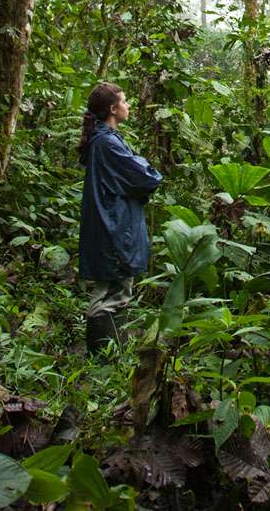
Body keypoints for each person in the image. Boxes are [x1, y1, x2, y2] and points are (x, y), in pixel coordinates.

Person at [77, 82, 162, 355]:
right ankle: (101, 359)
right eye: (124, 102)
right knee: (111, 291)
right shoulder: (107, 143)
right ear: (113, 109)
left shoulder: (105, 140)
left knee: (118, 289)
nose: (128, 106)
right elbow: (146, 177)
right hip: (113, 226)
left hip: (113, 223)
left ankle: (112, 352)